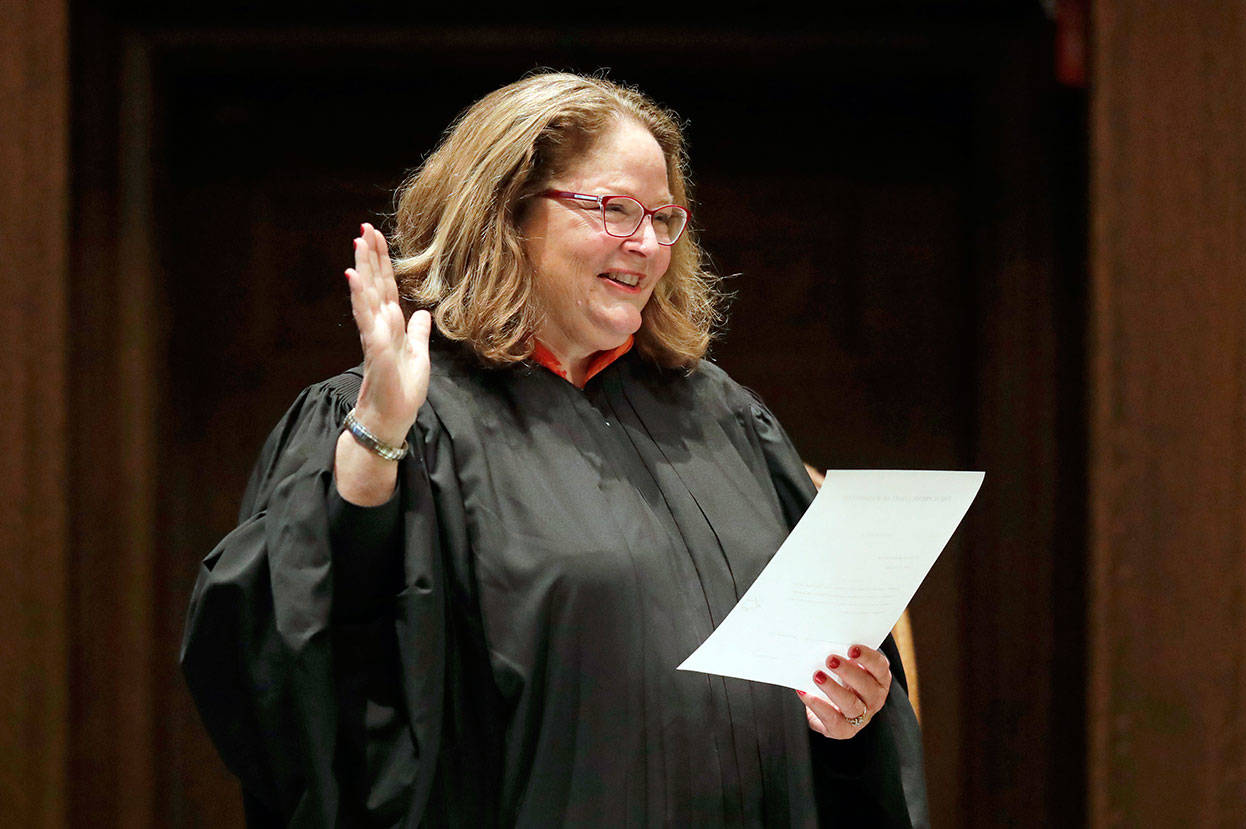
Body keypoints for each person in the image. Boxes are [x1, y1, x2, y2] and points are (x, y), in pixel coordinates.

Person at [181, 72, 928, 827]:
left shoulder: (722, 418)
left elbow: (833, 681)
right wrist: (374, 441)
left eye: (664, 218)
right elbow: (306, 667)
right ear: (505, 212)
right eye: (614, 210)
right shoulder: (404, 420)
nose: (647, 244)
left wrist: (846, 720)